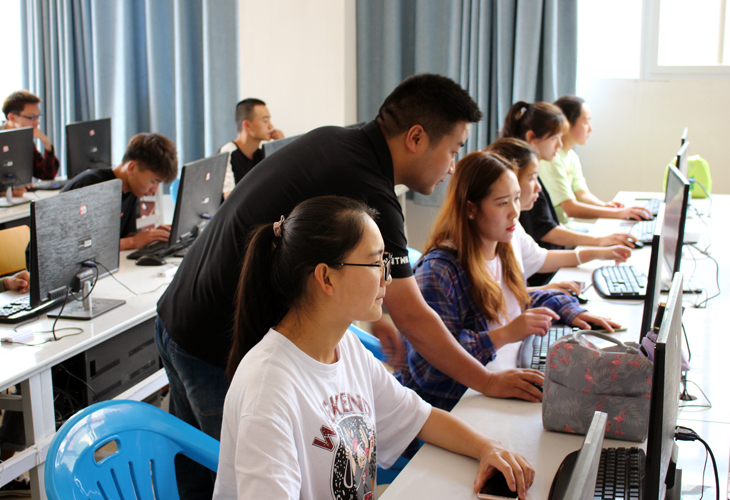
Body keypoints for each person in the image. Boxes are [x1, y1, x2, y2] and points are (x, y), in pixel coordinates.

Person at [156, 73, 532, 499]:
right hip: (215, 341)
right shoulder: (367, 189)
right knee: (225, 475)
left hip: (183, 312)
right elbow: (412, 314)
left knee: (195, 478)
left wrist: (364, 307)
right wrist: (487, 381)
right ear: (415, 137)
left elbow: (414, 404)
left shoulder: (342, 143)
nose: (451, 167)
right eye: (453, 150)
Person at [212, 196, 534, 500]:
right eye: (375, 263)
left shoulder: (345, 346)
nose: (387, 278)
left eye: (385, 262)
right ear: (326, 278)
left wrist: (487, 448)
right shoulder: (268, 391)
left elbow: (419, 417)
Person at [395, 152, 624, 411]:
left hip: (499, 383)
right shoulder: (439, 272)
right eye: (503, 203)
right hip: (458, 405)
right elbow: (430, 369)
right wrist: (505, 335)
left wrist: (571, 310)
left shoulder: (501, 245)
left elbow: (514, 302)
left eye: (516, 198)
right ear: (471, 209)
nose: (515, 212)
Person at [502, 101, 636, 284]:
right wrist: (599, 241)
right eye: (555, 137)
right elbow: (549, 228)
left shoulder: (517, 224)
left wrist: (597, 250)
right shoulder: (521, 178)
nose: (559, 144)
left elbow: (538, 257)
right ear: (532, 137)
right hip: (544, 272)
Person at [61, 133, 178, 250]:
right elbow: (81, 245)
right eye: (154, 181)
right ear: (132, 168)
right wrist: (132, 242)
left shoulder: (132, 189)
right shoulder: (92, 185)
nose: (154, 190)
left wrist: (151, 236)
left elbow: (124, 236)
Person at [219, 98, 284, 198]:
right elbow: (229, 197)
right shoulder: (228, 153)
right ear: (247, 125)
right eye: (265, 121)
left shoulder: (263, 153)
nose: (271, 126)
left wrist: (281, 145)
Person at [1, 90, 60, 193]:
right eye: (32, 117)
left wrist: (46, 143)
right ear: (11, 117)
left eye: (38, 117)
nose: (37, 122)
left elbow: (46, 175)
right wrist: (6, 192)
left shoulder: (24, 139)